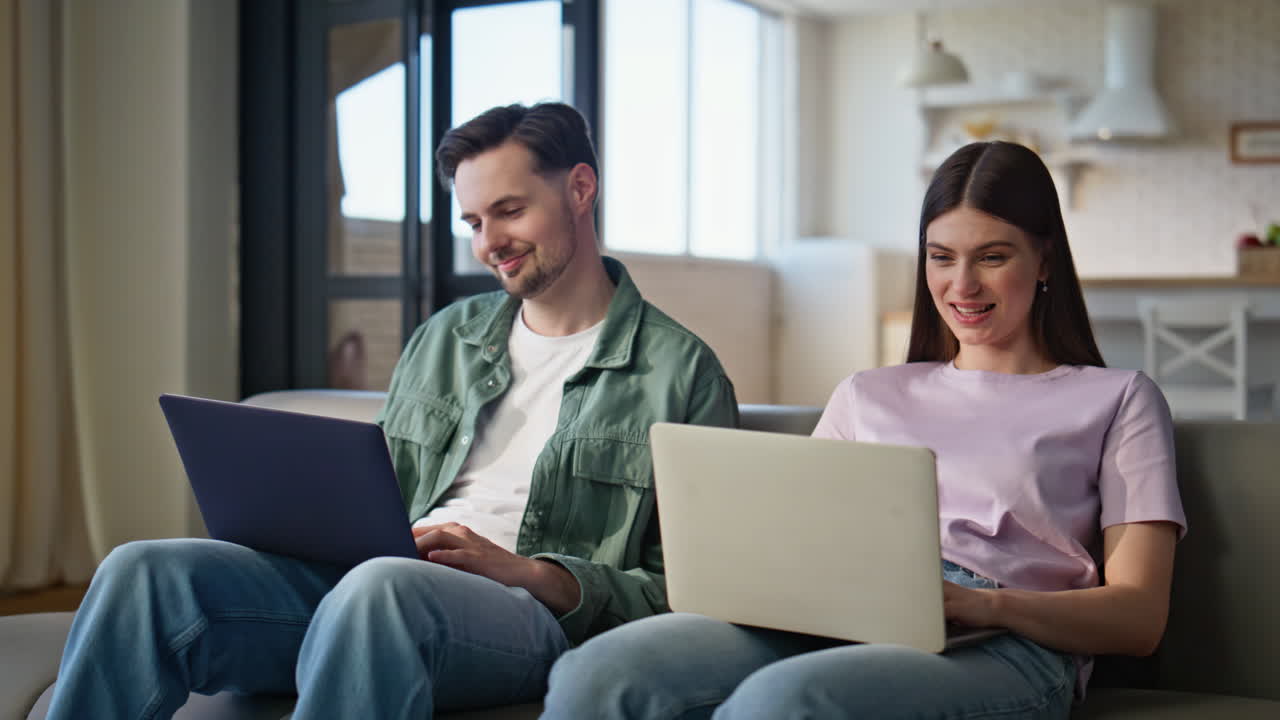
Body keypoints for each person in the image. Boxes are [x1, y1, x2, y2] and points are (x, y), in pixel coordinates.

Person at [46, 102, 739, 719]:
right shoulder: (446, 337)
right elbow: (377, 492)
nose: (487, 243)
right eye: (473, 221)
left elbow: (691, 592)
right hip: (373, 584)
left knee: (382, 588)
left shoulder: (681, 373)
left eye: (508, 211)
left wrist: (530, 572)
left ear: (580, 188)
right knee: (143, 571)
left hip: (526, 619)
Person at [541, 140, 1186, 720]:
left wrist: (985, 605)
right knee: (597, 673)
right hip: (841, 612)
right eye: (942, 257)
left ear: (1045, 261)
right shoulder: (866, 393)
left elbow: (1139, 617)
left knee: (784, 704)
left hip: (1007, 642)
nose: (962, 285)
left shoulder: (1118, 399)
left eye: (992, 257)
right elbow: (801, 544)